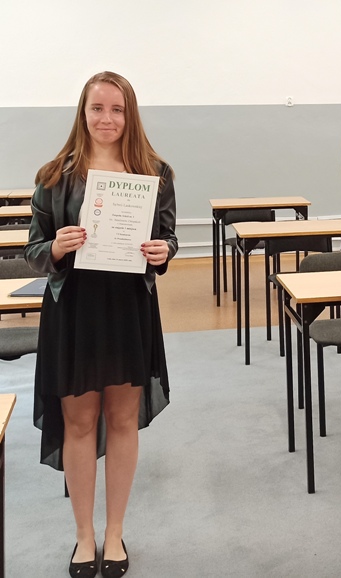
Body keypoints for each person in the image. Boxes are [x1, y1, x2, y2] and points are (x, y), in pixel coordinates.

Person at [24, 71, 178, 577]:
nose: (107, 118)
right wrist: (56, 247)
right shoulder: (54, 176)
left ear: (129, 114)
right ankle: (84, 536)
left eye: (117, 109)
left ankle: (114, 533)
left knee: (122, 419)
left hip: (128, 310)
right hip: (73, 312)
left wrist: (163, 251)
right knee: (79, 422)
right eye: (97, 108)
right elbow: (33, 251)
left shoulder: (154, 173)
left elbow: (169, 238)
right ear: (83, 112)